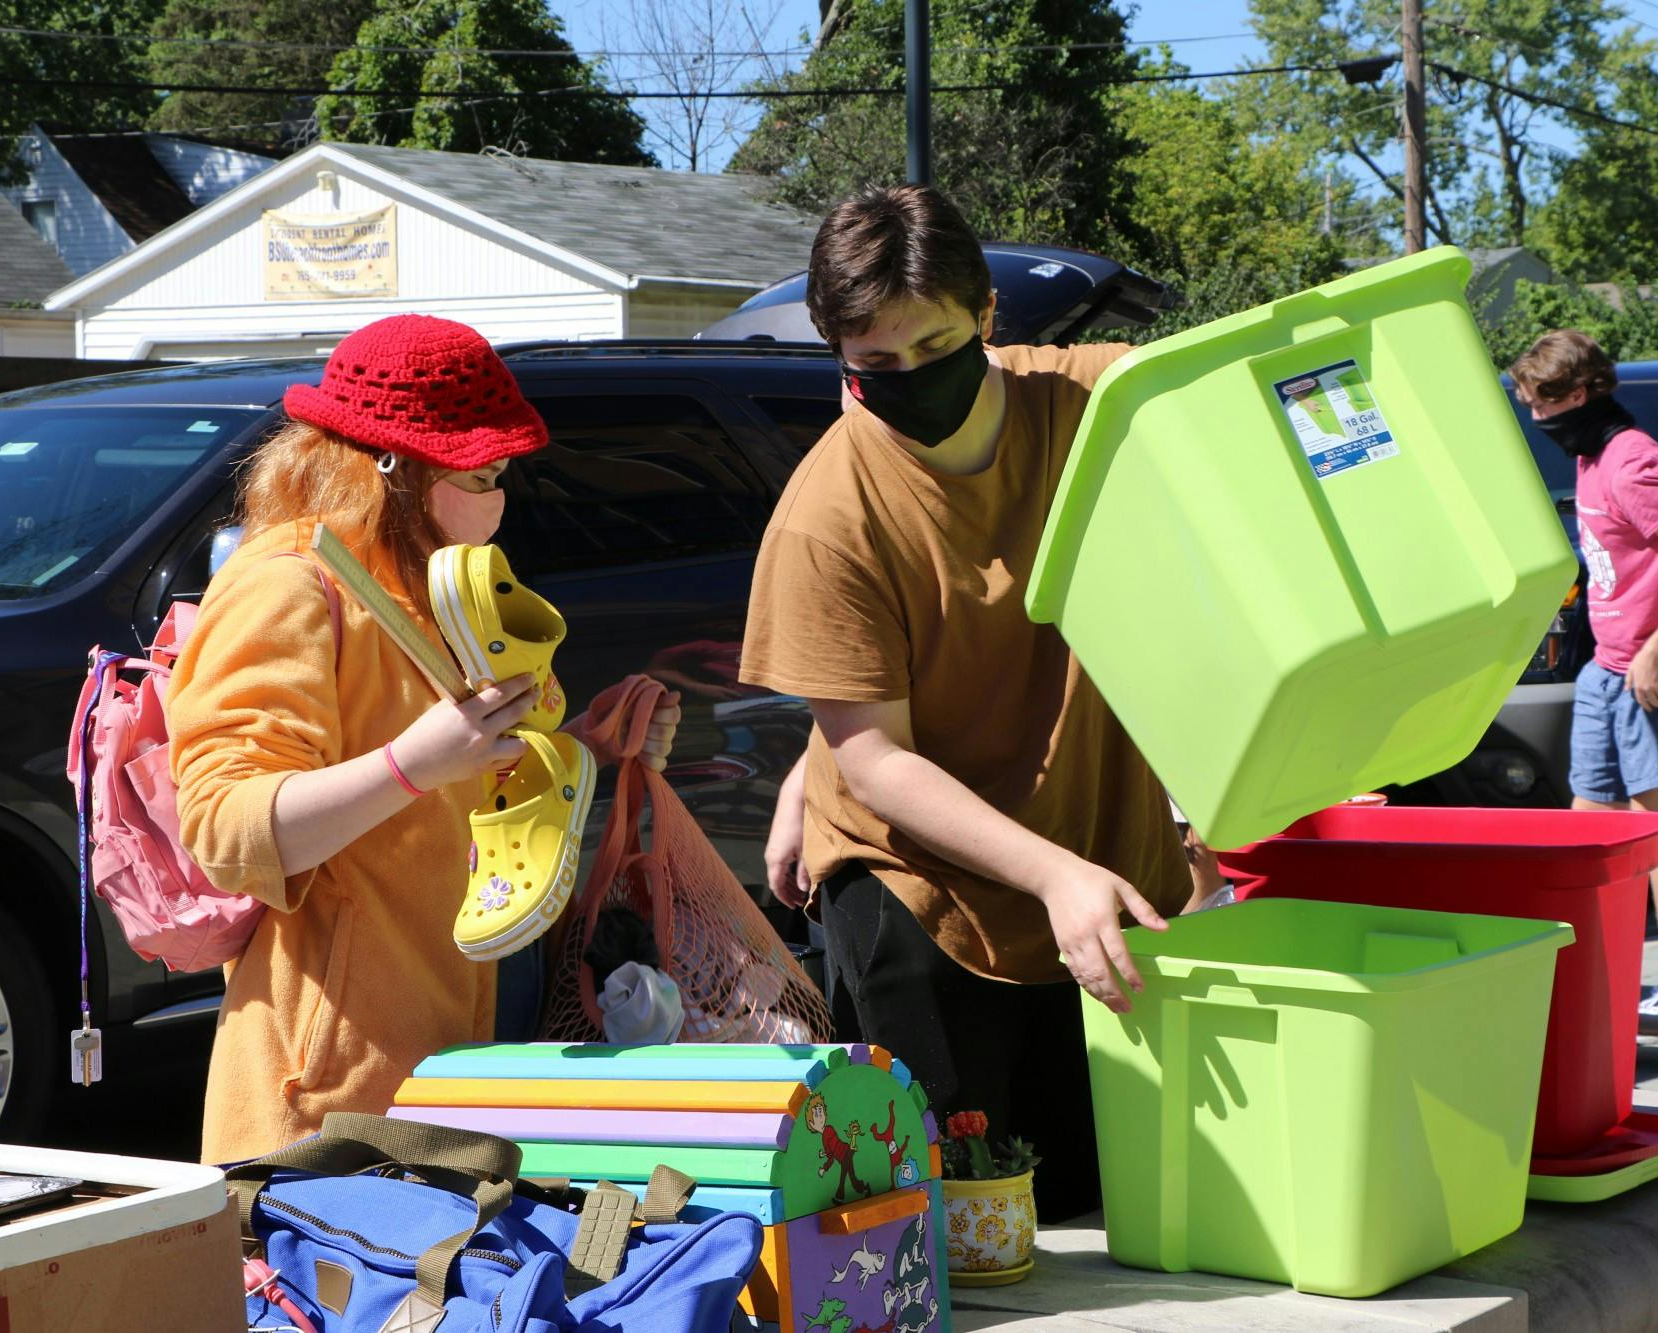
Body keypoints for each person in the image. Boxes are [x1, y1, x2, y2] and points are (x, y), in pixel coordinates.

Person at [743, 185, 1183, 1221]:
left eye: (935, 346)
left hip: (1096, 867)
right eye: (875, 364)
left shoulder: (1092, 403)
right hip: (924, 895)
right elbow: (876, 757)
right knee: (971, 1231)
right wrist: (1051, 875)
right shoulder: (825, 517)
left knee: (1111, 1204)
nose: (909, 382)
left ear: (987, 315)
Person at [168, 314, 677, 1163]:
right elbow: (225, 827)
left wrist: (587, 747)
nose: (498, 493)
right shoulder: (288, 586)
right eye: (478, 471)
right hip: (339, 1095)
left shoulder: (434, 583)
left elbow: (467, 787)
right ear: (388, 467)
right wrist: (412, 764)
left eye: (503, 470)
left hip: (476, 1055)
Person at [1510, 329, 1658, 1031]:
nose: (1536, 421)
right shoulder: (1590, 455)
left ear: (1579, 395)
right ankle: (1594, 979)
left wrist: (1657, 651)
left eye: (1540, 406)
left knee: (1654, 823)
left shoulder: (1631, 464)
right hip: (1607, 667)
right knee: (1590, 827)